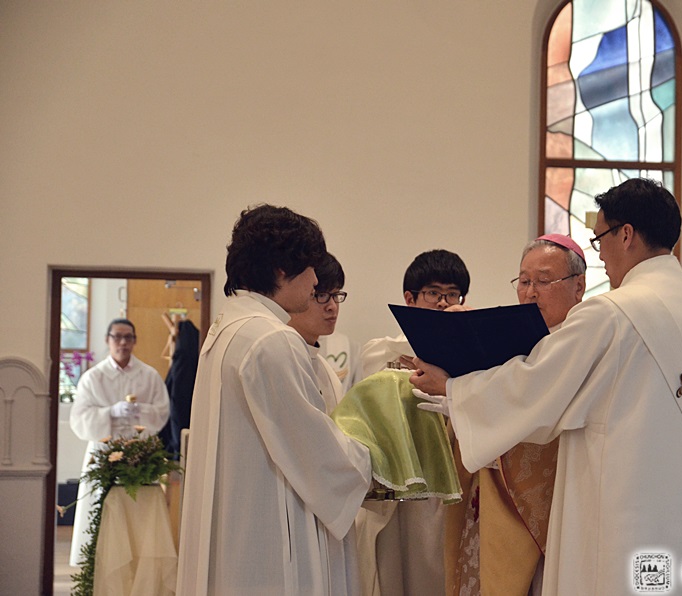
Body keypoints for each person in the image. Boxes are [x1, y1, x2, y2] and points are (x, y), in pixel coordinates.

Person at [408, 178, 682, 594]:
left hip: (621, 522)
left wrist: (453, 388)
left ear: (626, 235)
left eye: (600, 239)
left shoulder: (612, 313)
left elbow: (535, 386)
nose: (601, 255)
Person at [176, 205, 372, 595]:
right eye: (310, 268)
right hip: (269, 530)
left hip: (240, 522)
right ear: (282, 271)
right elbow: (314, 449)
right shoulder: (272, 339)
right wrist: (371, 457)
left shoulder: (228, 327)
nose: (315, 280)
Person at [443, 234, 585, 596]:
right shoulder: (508, 339)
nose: (530, 292)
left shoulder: (581, 343)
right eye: (524, 281)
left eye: (543, 281)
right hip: (491, 499)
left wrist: (457, 391)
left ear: (579, 287)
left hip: (555, 505)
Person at [356, 248, 470, 596]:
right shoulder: (382, 350)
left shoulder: (470, 354)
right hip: (400, 487)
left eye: (452, 294)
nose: (443, 303)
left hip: (451, 483)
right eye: (434, 293)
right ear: (410, 298)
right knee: (395, 570)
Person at [68, 318, 170, 567]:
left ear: (134, 341)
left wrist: (140, 410)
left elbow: (162, 413)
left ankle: (141, 564)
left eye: (128, 337)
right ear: (108, 340)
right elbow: (79, 420)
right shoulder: (93, 378)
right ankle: (98, 565)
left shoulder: (149, 375)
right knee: (100, 512)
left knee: (139, 514)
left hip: (139, 454)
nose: (122, 343)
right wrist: (110, 413)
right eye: (117, 337)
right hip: (104, 452)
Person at [287, 251, 350, 414]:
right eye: (321, 295)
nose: (332, 306)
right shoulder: (281, 359)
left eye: (336, 295)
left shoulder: (327, 373)